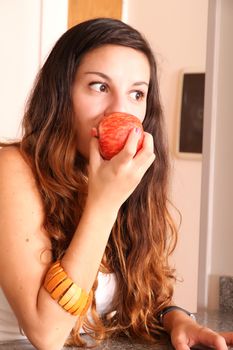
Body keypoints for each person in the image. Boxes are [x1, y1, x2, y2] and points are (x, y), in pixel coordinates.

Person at [0, 18, 232, 350]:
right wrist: (104, 203)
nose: (119, 111)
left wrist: (177, 318)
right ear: (61, 93)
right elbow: (46, 334)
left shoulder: (118, 177)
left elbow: (141, 294)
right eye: (99, 86)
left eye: (137, 93)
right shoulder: (13, 169)